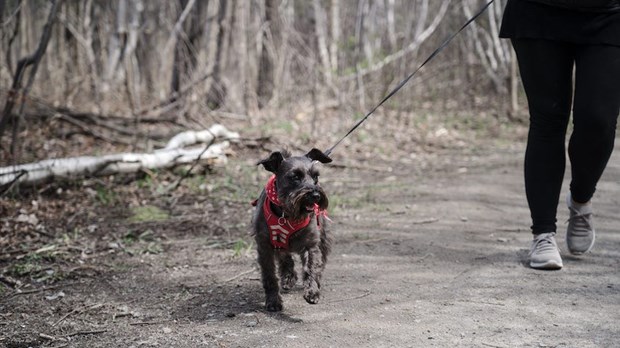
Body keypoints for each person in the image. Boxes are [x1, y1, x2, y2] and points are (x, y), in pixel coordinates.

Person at [499, 0, 620, 270]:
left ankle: (581, 198)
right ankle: (543, 234)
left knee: (598, 122)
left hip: (609, 14)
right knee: (547, 120)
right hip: (538, 9)